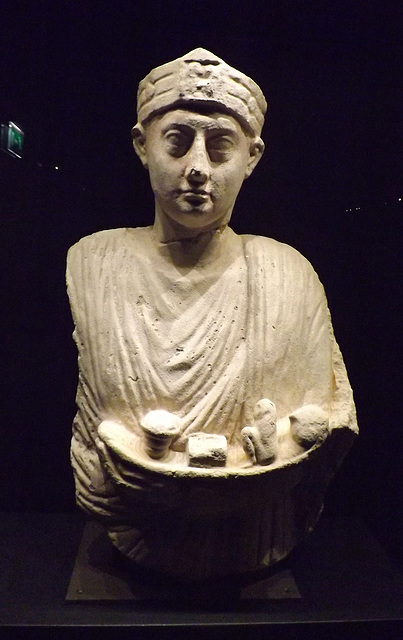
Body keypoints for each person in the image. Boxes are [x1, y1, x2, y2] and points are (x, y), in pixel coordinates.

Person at [66, 50, 357, 573]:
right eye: (176, 143)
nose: (197, 168)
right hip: (131, 531)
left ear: (252, 156)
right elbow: (93, 424)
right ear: (142, 146)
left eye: (220, 147)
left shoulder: (286, 273)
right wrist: (95, 475)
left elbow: (331, 423)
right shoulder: (95, 261)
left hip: (255, 536)